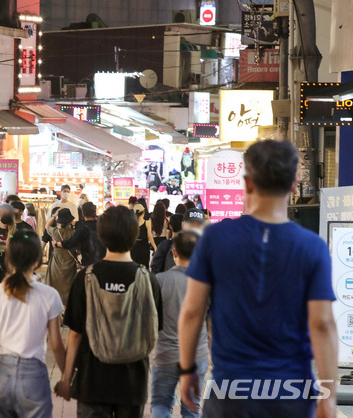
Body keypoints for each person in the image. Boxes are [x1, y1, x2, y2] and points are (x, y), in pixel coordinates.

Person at [178, 140, 337, 417]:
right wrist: (329, 396)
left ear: (248, 183)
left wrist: (187, 368)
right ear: (292, 186)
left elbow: (192, 311)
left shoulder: (215, 238)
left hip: (230, 391)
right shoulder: (312, 247)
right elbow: (322, 324)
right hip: (292, 391)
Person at [57, 206, 163, 417]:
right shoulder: (147, 279)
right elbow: (154, 328)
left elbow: (75, 334)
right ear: (134, 236)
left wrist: (67, 378)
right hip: (134, 381)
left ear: (102, 236)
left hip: (92, 380)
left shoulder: (84, 278)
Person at [0, 230, 66, 417]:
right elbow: (56, 344)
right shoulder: (49, 295)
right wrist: (65, 377)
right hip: (34, 375)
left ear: (8, 259)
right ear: (38, 261)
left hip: (1, 374)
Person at [151, 231, 207, 418]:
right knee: (192, 408)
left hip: (165, 355)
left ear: (174, 253)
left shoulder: (159, 281)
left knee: (161, 403)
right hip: (196, 356)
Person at [54, 202, 104, 267]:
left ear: (83, 214)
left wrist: (56, 244)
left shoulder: (82, 228)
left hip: (88, 261)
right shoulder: (102, 225)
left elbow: (71, 242)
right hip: (102, 259)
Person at [46, 208, 78, 305]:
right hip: (70, 262)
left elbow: (46, 226)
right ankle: (67, 306)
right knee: (69, 284)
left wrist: (54, 215)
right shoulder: (74, 233)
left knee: (55, 283)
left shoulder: (55, 232)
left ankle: (56, 305)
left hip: (56, 262)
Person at [0, 204, 16, 284]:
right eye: (4, 212)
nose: (7, 214)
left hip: (10, 269)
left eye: (9, 213)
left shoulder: (15, 233)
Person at [131, 203, 154, 268]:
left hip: (134, 246)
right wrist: (155, 247)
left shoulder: (132, 223)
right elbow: (149, 236)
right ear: (143, 212)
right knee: (144, 266)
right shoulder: (147, 223)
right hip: (144, 246)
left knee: (134, 266)